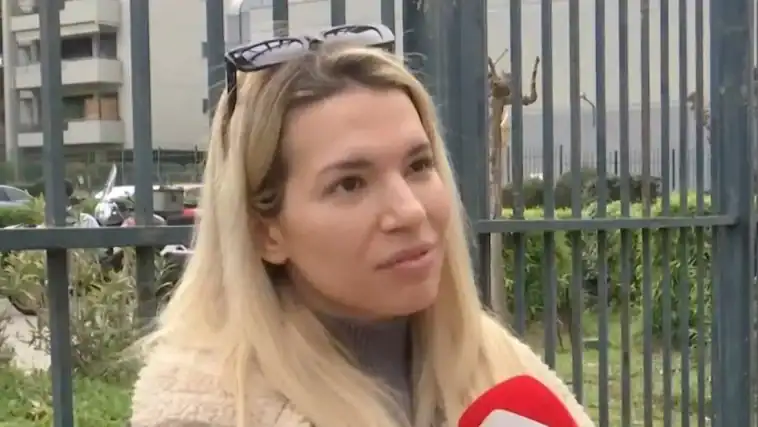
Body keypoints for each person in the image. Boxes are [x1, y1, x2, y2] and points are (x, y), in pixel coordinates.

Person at [130, 25, 594, 427]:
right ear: (265, 232)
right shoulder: (205, 406)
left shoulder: (498, 367)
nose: (409, 211)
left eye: (418, 165)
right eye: (350, 184)